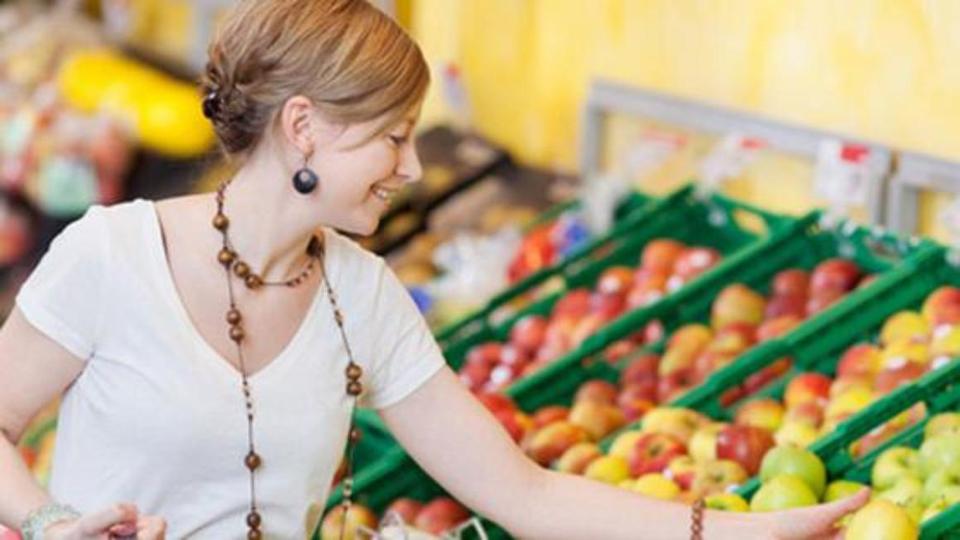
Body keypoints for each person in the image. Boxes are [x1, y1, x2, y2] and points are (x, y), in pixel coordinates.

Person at [0, 0, 868, 538]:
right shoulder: (113, 255)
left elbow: (523, 496)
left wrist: (740, 532)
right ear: (304, 128)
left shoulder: (362, 296)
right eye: (393, 135)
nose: (412, 166)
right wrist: (47, 524)